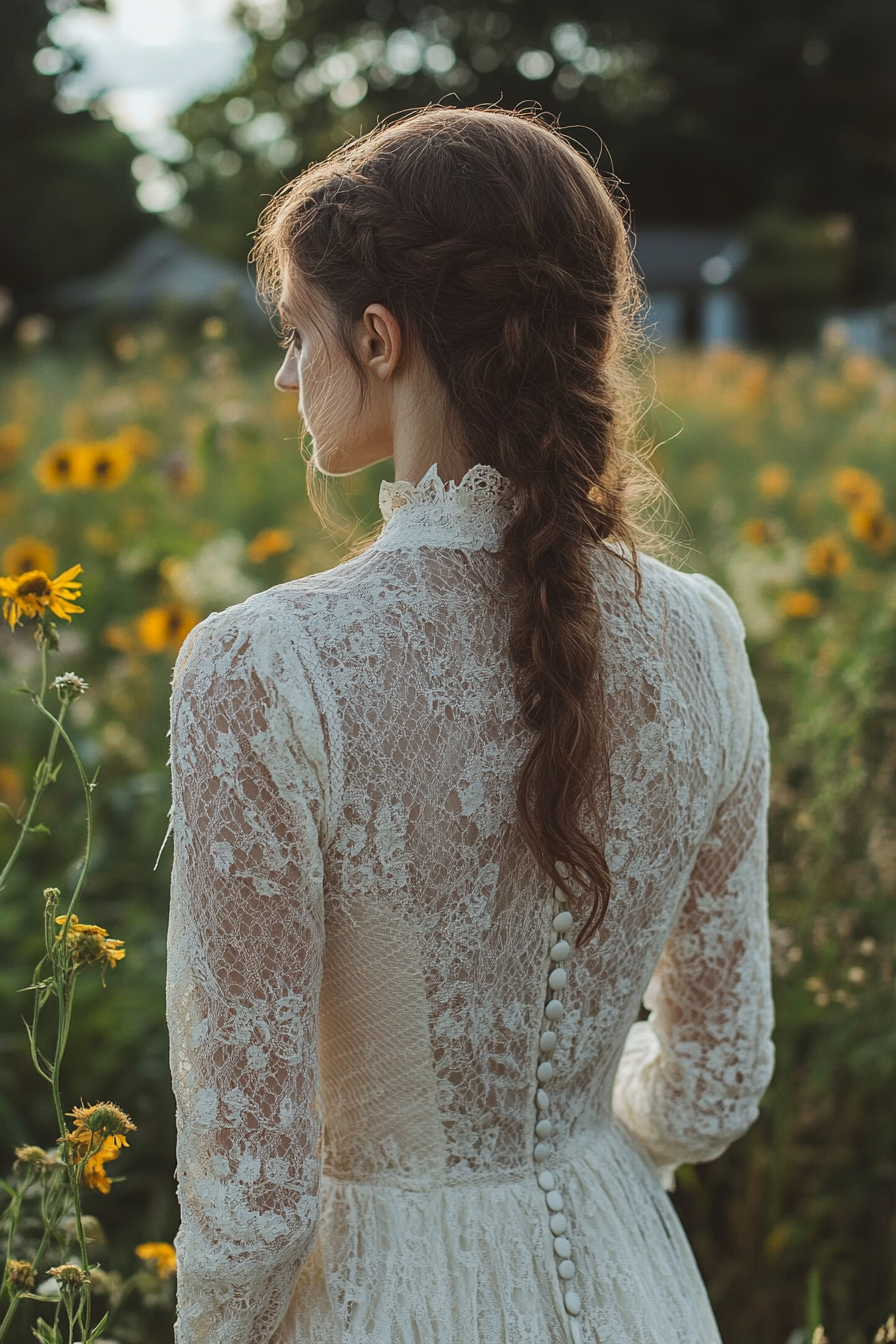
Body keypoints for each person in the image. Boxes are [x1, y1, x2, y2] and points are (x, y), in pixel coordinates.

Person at [166, 106, 775, 1344]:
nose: (286, 375)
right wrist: (566, 1146)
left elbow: (256, 1203)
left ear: (379, 338)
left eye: (296, 334)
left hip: (381, 1301)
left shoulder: (265, 664)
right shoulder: (700, 636)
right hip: (629, 1282)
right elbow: (712, 1087)